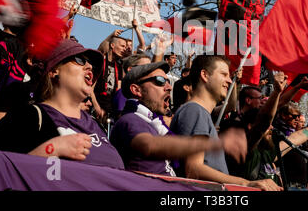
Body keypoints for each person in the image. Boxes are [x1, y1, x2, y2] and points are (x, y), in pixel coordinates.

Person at [0, 39, 124, 169]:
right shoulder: (28, 117)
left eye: (91, 65)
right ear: (53, 71)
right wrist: (53, 148)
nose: (89, 67)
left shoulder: (96, 124)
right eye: (79, 60)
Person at [110, 61, 248, 177]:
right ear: (136, 90)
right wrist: (217, 143)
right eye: (160, 81)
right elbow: (149, 145)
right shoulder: (130, 119)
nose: (169, 87)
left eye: (168, 81)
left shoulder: (154, 125)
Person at [170, 55, 281, 191]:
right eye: (224, 74)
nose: (229, 80)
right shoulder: (194, 110)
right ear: (205, 75)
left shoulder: (200, 113)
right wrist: (246, 183)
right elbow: (193, 169)